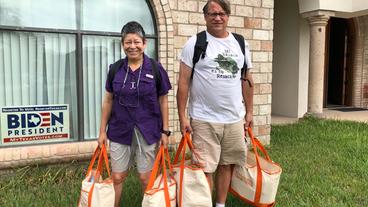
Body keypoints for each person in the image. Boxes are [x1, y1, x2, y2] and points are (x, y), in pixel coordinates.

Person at [177, 0, 254, 206]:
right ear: (205, 17)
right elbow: (183, 83)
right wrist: (183, 117)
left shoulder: (240, 43)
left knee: (227, 163)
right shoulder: (195, 43)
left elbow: (246, 80)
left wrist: (249, 112)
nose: (217, 17)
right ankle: (204, 204)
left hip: (234, 118)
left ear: (228, 16)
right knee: (205, 167)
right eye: (212, 14)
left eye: (221, 13)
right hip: (204, 118)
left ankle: (220, 204)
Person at [98, 21, 172, 207]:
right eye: (128, 42)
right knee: (117, 176)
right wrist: (102, 131)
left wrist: (166, 131)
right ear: (123, 44)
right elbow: (108, 100)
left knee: (146, 177)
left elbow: (163, 100)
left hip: (147, 130)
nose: (132, 46)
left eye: (136, 42)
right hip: (119, 129)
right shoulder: (115, 69)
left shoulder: (155, 69)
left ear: (144, 43)